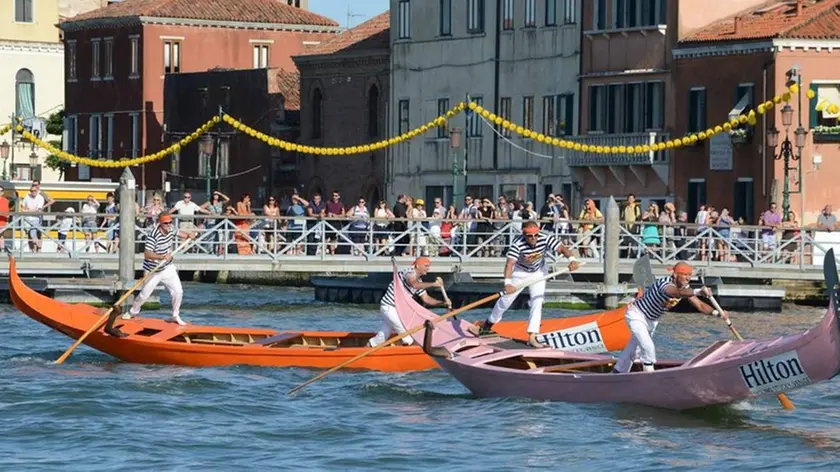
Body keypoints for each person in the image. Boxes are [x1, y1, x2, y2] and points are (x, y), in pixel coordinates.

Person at [478, 220, 579, 348]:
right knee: (506, 301)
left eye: (535, 235)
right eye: (529, 236)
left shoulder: (545, 238)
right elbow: (509, 264)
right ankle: (488, 324)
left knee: (537, 301)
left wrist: (572, 260)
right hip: (520, 273)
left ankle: (532, 336)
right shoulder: (517, 244)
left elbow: (562, 249)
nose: (533, 238)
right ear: (523, 234)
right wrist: (508, 283)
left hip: (539, 272)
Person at [613, 262, 728, 373]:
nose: (688, 278)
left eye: (689, 275)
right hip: (637, 315)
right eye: (684, 275)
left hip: (652, 321)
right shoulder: (664, 284)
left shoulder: (685, 287)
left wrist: (717, 313)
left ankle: (617, 372)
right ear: (675, 275)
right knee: (648, 347)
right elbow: (675, 292)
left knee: (635, 350)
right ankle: (650, 376)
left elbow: (700, 305)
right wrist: (698, 291)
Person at [106, 212, 197, 337]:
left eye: (170, 222)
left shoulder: (170, 229)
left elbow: (178, 233)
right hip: (153, 269)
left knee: (178, 292)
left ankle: (175, 315)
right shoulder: (153, 235)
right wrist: (162, 257)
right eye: (166, 223)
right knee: (144, 295)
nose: (169, 225)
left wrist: (188, 235)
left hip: (167, 268)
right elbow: (147, 254)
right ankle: (133, 312)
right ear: (160, 223)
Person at [368, 257, 451, 347]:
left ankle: (368, 348)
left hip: (397, 311)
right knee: (408, 338)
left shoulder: (420, 282)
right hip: (389, 308)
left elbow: (427, 299)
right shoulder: (408, 272)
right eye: (426, 266)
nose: (428, 268)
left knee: (380, 339)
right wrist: (434, 284)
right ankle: (401, 354)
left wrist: (443, 303)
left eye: (429, 266)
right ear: (417, 266)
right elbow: (413, 284)